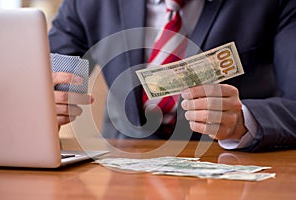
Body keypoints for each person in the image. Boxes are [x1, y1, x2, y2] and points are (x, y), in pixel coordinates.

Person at [49, 0, 296, 152]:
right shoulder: (88, 3)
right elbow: (50, 75)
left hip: (226, 162)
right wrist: (43, 99)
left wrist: (243, 121)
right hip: (123, 160)